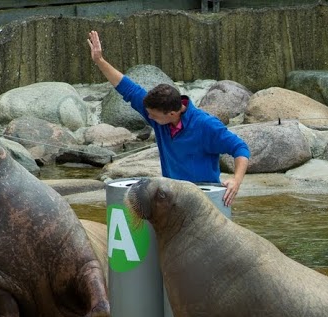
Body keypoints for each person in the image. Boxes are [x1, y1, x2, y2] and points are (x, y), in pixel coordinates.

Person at [87, 30, 249, 206]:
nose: (149, 117)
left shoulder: (206, 125)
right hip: (173, 196)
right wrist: (99, 61)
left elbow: (240, 148)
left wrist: (236, 180)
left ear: (172, 114)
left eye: (153, 115)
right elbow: (128, 88)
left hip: (204, 199)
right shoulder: (161, 114)